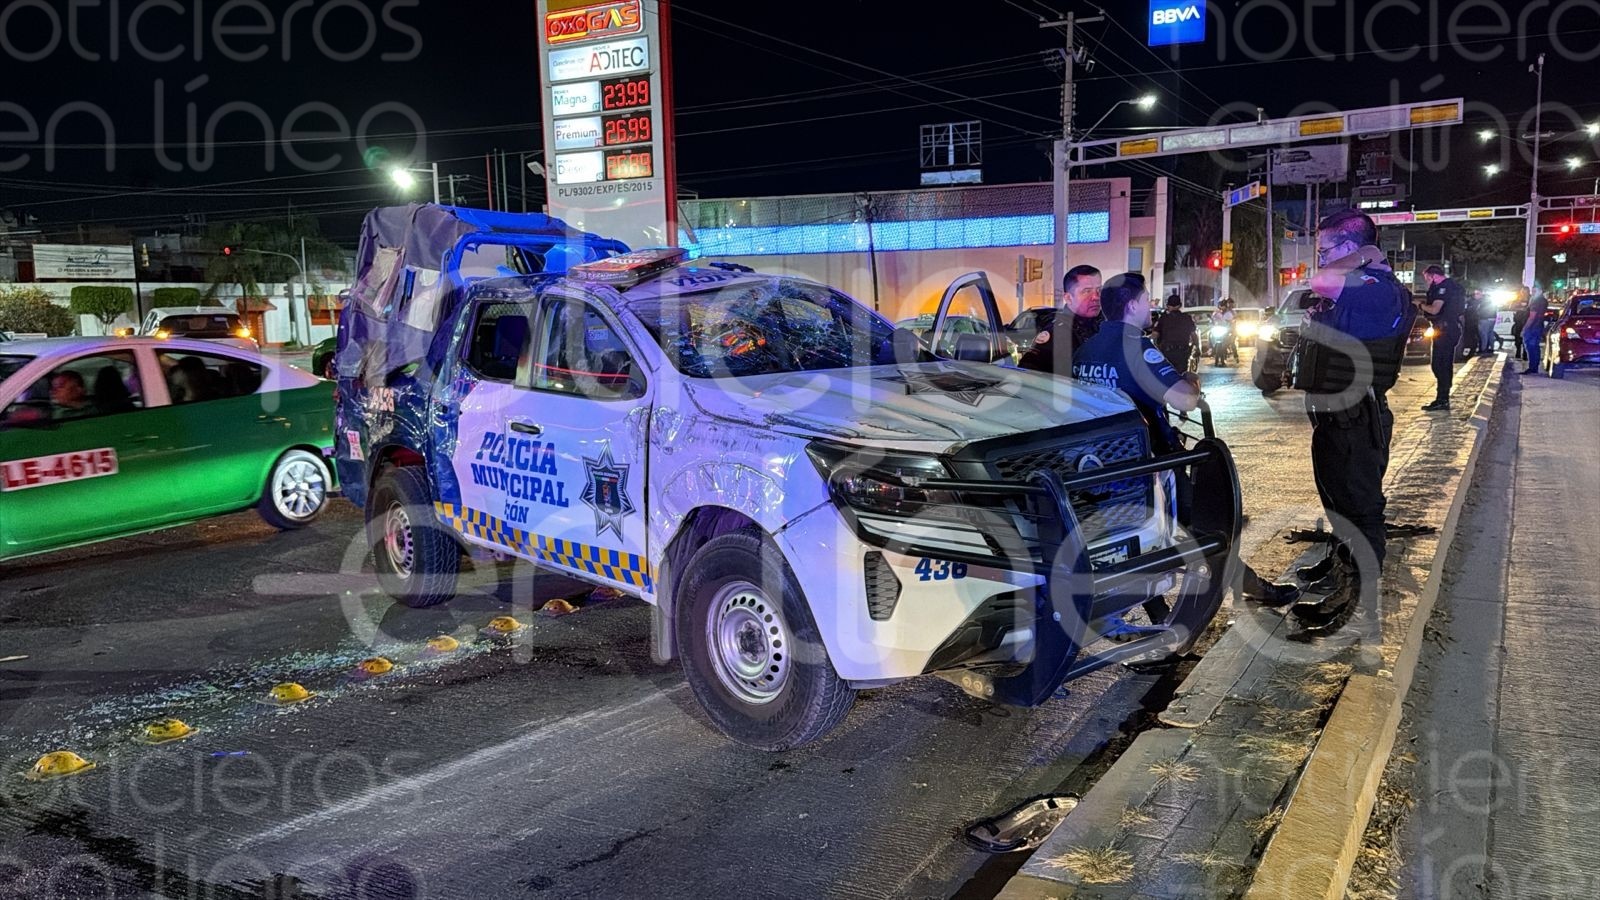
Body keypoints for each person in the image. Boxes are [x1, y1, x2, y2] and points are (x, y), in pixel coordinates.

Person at [1071, 273, 1300, 607]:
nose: (1150, 306)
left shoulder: (1086, 350)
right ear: (1132, 305)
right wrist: (1192, 382)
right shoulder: (1137, 347)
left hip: (1102, 467)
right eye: (1145, 299)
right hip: (1152, 462)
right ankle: (1251, 588)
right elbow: (1184, 400)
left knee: (1138, 540)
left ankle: (1160, 614)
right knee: (1202, 531)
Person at [1291, 209, 1410, 629]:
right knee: (1338, 502)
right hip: (1336, 416)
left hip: (1358, 419)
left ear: (1349, 248)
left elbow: (1322, 281)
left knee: (1361, 509)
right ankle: (1343, 566)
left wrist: (1367, 254)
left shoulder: (1377, 287)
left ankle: (1360, 604)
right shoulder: (1358, 286)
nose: (1321, 259)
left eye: (1325, 250)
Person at [1018, 264, 1103, 375]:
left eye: (1099, 290)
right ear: (1068, 298)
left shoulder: (1106, 325)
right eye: (1087, 291)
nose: (1096, 297)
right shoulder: (1057, 333)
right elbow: (1027, 374)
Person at [1417, 265, 1465, 412]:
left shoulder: (1443, 288)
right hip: (1449, 329)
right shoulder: (1453, 286)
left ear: (1434, 276)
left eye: (1427, 278)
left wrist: (1419, 305)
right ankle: (1443, 397)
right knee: (1442, 364)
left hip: (1445, 330)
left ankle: (1442, 399)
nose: (1427, 282)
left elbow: (1434, 309)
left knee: (1441, 365)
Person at [1152, 294, 1198, 373]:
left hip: (1167, 353)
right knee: (1181, 376)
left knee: (1168, 375)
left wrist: (1157, 349)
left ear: (1168, 306)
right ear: (1180, 305)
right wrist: (1197, 347)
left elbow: (1154, 336)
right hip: (1182, 353)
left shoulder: (1164, 318)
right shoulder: (1186, 318)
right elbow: (1194, 335)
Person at [1524, 284, 1549, 375]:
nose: (1533, 293)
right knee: (1535, 347)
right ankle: (1534, 367)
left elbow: (1532, 316)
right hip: (1538, 326)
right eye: (1532, 291)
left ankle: (1532, 367)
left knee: (1531, 347)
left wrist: (1525, 328)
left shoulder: (1536, 301)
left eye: (1535, 291)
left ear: (1540, 291)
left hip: (1532, 327)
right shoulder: (1543, 301)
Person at [1510, 295, 1530, 362]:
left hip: (1524, 327)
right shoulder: (1519, 310)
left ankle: (1524, 355)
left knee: (1523, 342)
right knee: (1519, 342)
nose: (1523, 303)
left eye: (1524, 302)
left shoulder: (1528, 310)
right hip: (1520, 327)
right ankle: (1519, 354)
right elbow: (1515, 319)